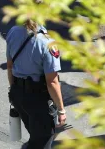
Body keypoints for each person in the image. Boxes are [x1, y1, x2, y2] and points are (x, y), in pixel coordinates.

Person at [6, 19, 66, 148]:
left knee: (35, 133)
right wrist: (61, 110)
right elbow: (52, 82)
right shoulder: (47, 43)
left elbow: (10, 67)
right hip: (38, 100)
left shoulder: (13, 31)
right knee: (43, 139)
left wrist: (14, 91)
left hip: (18, 94)